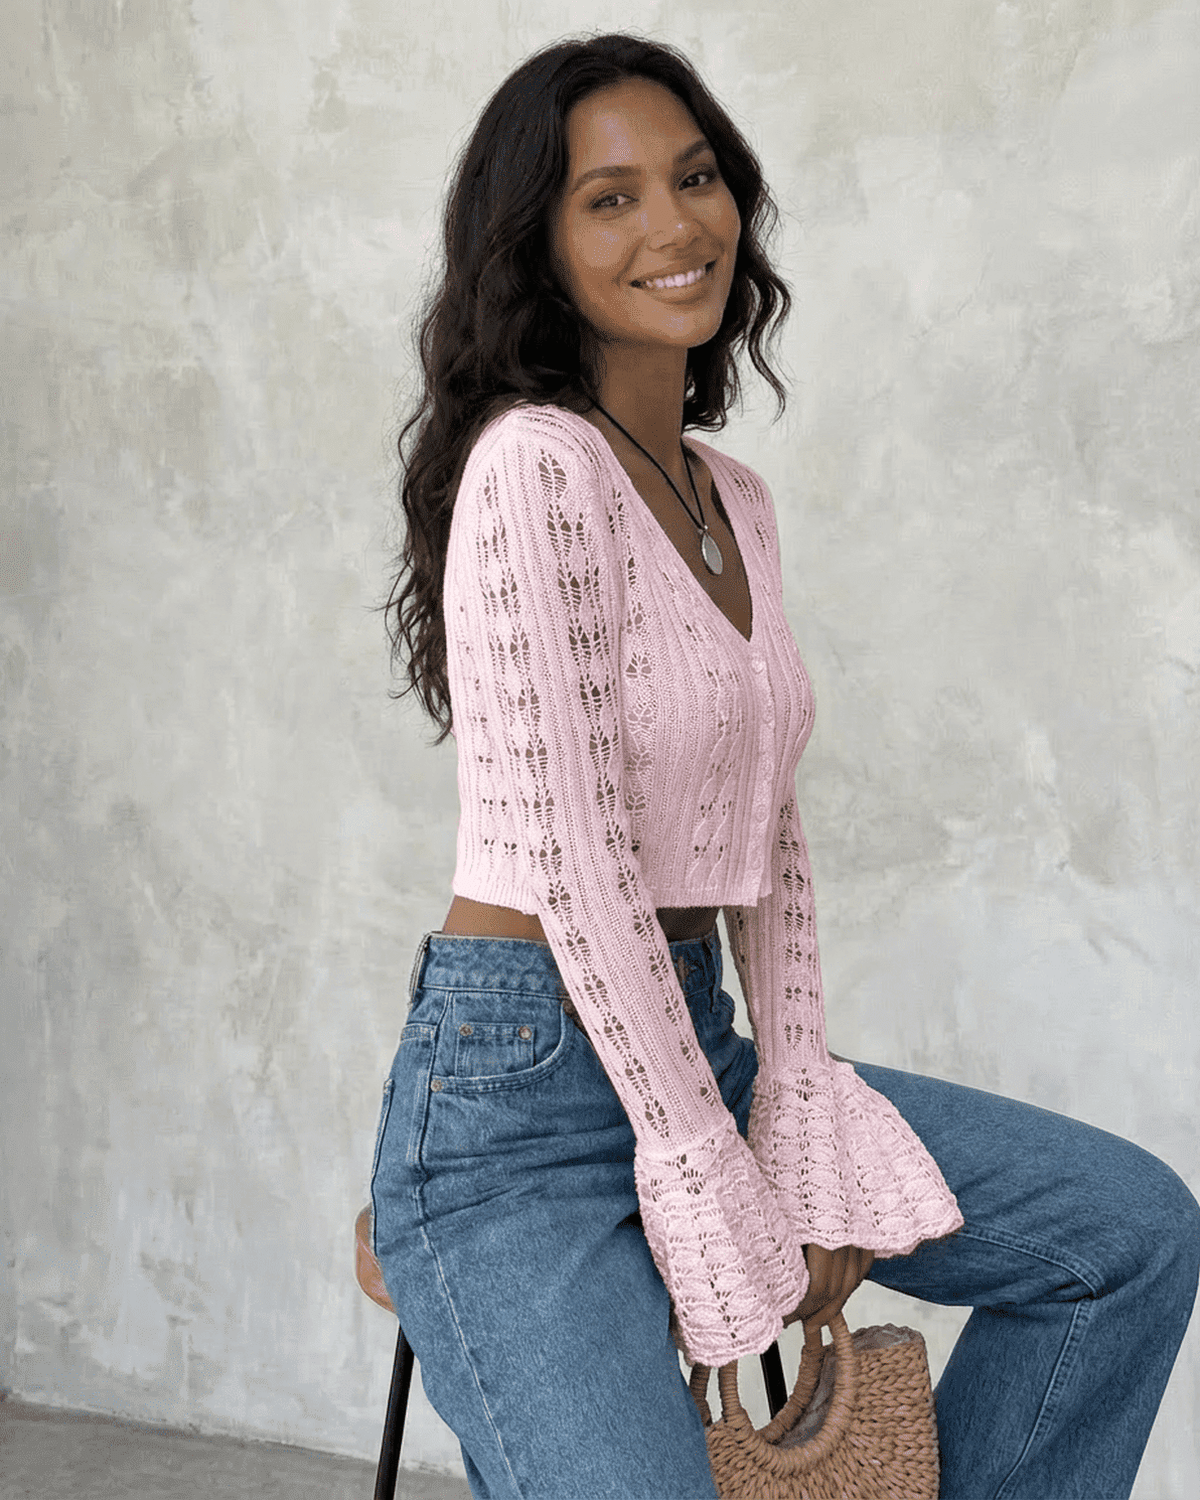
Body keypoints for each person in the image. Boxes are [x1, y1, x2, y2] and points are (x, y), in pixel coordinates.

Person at [371, 32, 1199, 1500]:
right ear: (538, 246)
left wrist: (797, 1107)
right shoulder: (533, 465)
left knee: (1122, 1234)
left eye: (694, 179)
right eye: (608, 198)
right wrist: (709, 1176)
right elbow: (577, 862)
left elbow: (769, 823)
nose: (673, 225)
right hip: (518, 1096)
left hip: (699, 1036)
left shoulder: (731, 498)